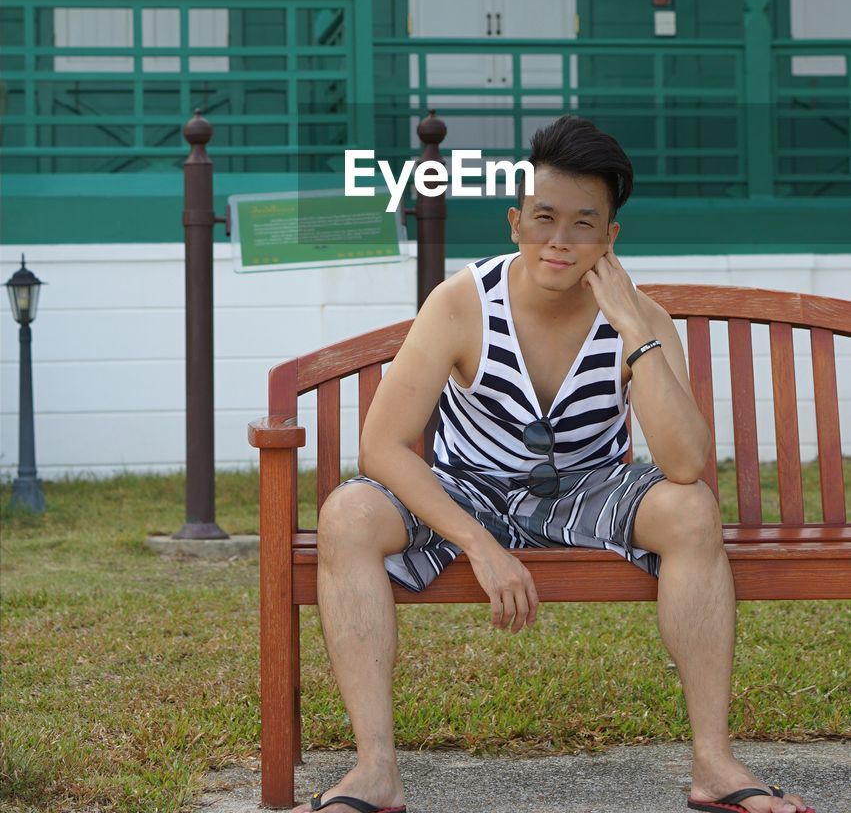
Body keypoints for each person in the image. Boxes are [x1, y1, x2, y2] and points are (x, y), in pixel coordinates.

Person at [295, 116, 815, 813]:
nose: (560, 242)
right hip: (470, 490)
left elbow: (685, 464)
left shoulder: (641, 317)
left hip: (587, 491)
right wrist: (478, 545)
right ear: (515, 223)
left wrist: (633, 331)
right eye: (543, 218)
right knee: (348, 512)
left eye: (582, 224)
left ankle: (714, 764)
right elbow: (381, 447)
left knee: (688, 510)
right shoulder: (461, 302)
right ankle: (375, 769)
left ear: (610, 239)